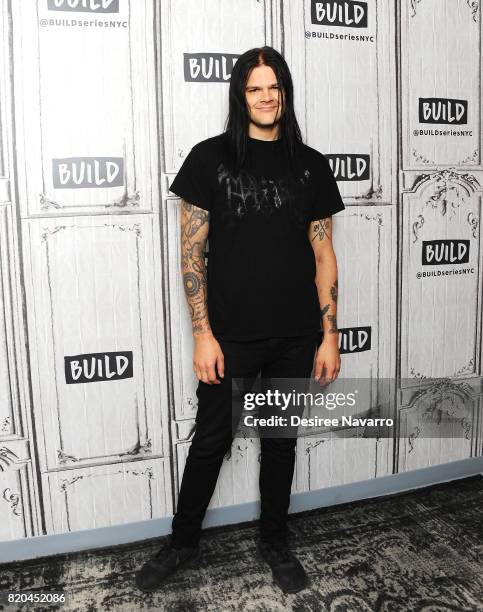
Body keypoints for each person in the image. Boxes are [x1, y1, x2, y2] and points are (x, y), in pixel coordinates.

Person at [135, 45, 345, 595]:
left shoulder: (311, 164)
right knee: (210, 443)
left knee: (280, 443)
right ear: (240, 94)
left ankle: (275, 541)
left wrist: (329, 334)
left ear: (285, 93)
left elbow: (323, 255)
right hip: (229, 340)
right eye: (255, 88)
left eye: (274, 87)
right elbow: (191, 254)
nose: (266, 97)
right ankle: (182, 543)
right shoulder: (209, 160)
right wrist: (202, 334)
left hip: (296, 336)